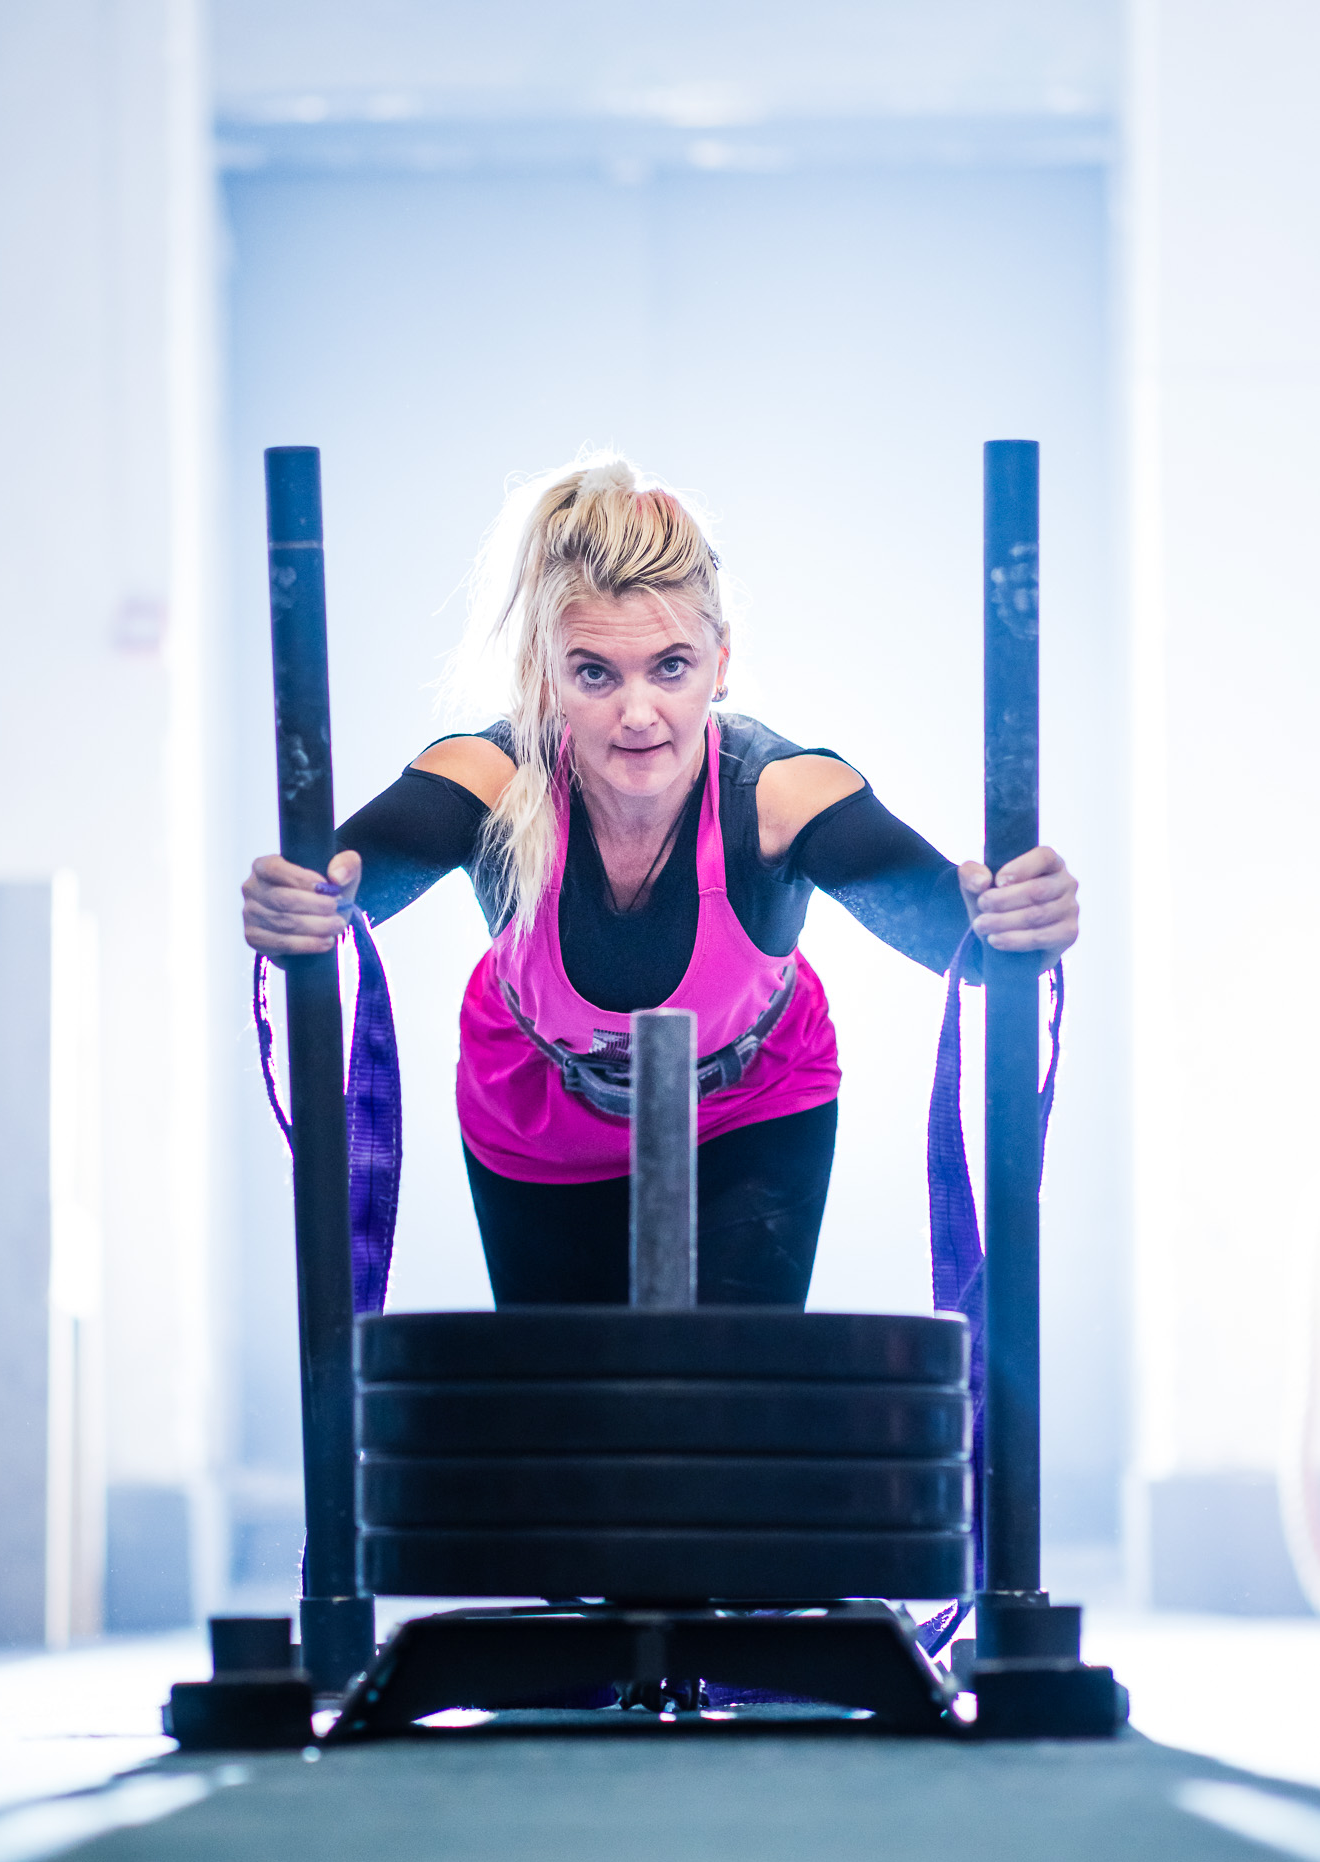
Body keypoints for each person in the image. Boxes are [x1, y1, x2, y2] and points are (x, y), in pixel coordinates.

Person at [243, 458, 1077, 1309]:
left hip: (752, 1104)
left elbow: (966, 941)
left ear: (721, 662)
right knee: (569, 1389)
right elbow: (334, 895)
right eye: (595, 673)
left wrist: (1017, 918)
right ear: (547, 674)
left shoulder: (782, 797)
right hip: (536, 1112)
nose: (638, 715)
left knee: (727, 1384)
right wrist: (297, 905)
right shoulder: (492, 782)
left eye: (671, 667)